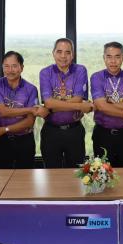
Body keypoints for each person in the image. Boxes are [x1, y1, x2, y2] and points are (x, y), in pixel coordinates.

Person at [0, 51, 48, 169]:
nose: (10, 70)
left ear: (22, 67)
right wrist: (30, 109)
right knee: (2, 176)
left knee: (25, 177)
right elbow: (3, 112)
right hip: (2, 141)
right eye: (6, 66)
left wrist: (5, 129)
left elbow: (29, 122)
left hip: (24, 141)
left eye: (14, 66)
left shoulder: (31, 89)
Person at [40, 38, 93, 168]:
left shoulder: (80, 70)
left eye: (67, 52)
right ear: (53, 53)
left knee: (76, 173)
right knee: (51, 173)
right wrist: (80, 106)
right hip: (51, 131)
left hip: (74, 130)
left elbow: (78, 98)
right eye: (59, 52)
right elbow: (48, 102)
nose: (63, 56)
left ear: (72, 55)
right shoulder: (45, 73)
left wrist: (53, 106)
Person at [90, 41, 123, 167]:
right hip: (102, 134)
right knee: (102, 173)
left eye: (117, 56)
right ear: (104, 58)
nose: (113, 61)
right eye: (109, 57)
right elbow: (101, 106)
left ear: (122, 58)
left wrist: (106, 103)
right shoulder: (96, 77)